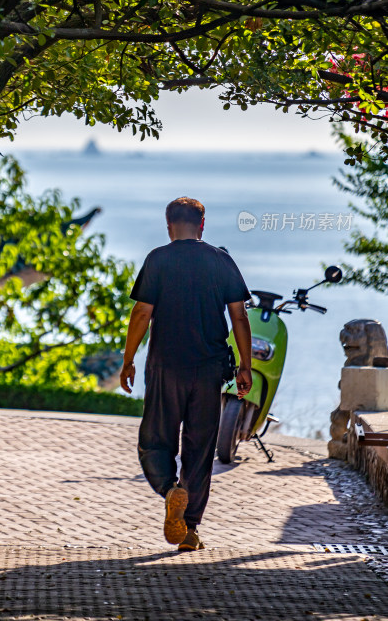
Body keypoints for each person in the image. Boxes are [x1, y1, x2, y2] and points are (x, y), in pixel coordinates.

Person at [120, 196, 252, 552]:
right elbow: (239, 317)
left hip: (166, 366)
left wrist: (128, 359)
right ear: (202, 225)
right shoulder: (220, 260)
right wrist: (245, 366)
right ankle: (190, 529)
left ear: (168, 225)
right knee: (199, 447)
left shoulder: (158, 259)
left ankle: (168, 490)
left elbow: (141, 314)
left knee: (155, 439)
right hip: (210, 369)